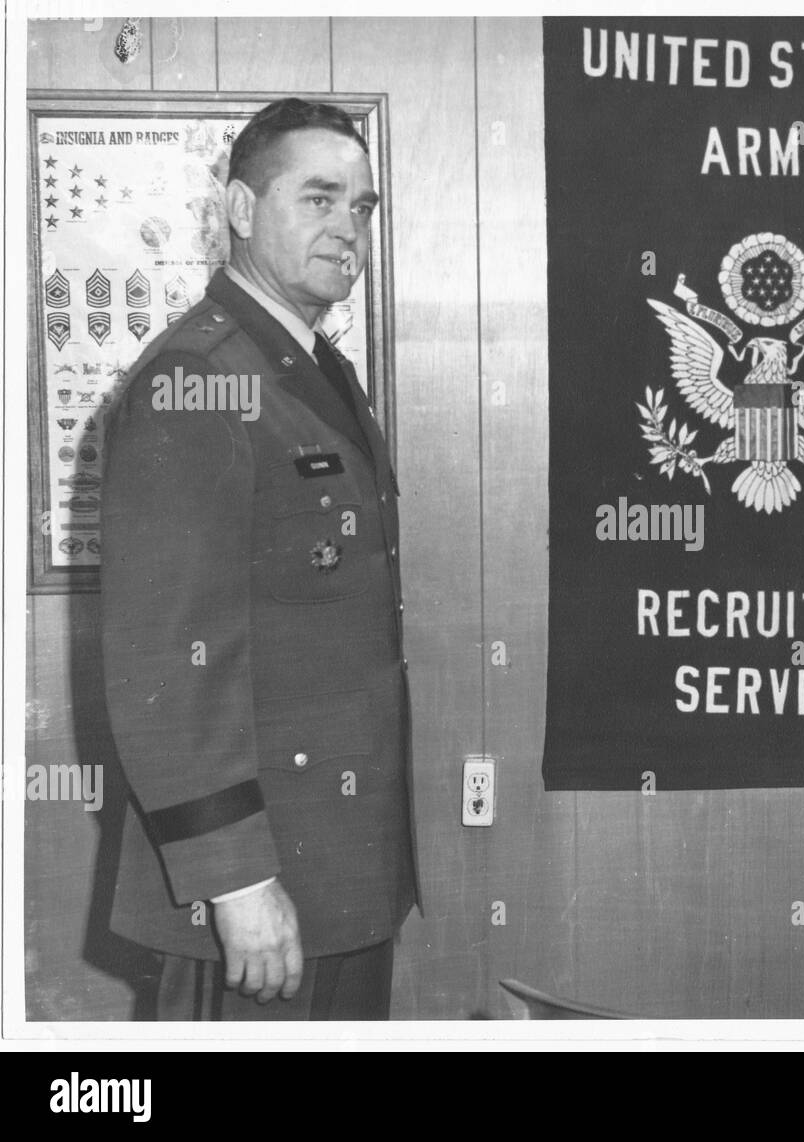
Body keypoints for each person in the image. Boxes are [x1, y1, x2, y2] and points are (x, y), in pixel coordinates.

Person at [100, 98, 417, 1020]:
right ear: (240, 210)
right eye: (318, 199)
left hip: (339, 870)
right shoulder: (199, 381)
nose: (347, 228)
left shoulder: (311, 369)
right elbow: (166, 658)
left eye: (361, 207)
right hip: (256, 891)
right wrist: (234, 884)